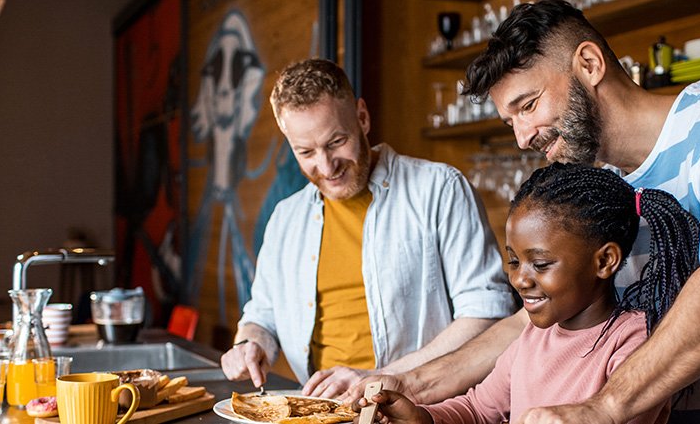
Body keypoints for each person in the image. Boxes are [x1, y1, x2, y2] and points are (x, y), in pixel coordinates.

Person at [349, 1, 700, 423]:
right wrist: (409, 388)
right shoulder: (603, 185)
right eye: (509, 119)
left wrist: (605, 408)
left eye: (529, 105)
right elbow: (529, 321)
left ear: (588, 63)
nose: (521, 136)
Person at [219, 58, 517, 399]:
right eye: (306, 152)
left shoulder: (440, 189)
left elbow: (487, 315)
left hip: (422, 407)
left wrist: (379, 377)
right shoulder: (285, 217)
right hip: (321, 411)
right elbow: (262, 314)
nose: (326, 166)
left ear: (362, 117)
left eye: (335, 142)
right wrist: (250, 343)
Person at [362, 163, 697, 424]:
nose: (520, 279)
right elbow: (478, 410)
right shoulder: (530, 338)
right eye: (513, 260)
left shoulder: (635, 343)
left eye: (540, 263)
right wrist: (423, 417)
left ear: (605, 261)